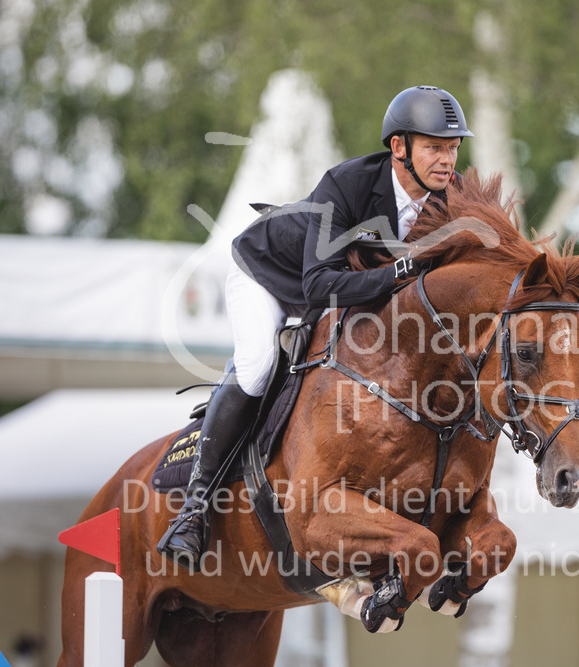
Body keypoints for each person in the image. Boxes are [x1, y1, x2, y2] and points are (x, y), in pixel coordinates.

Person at [158, 85, 474, 569]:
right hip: (270, 274)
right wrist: (397, 274)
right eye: (434, 147)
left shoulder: (450, 203)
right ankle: (195, 510)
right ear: (399, 148)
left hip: (345, 291)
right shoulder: (346, 185)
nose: (447, 160)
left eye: (453, 148)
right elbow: (317, 285)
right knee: (259, 369)